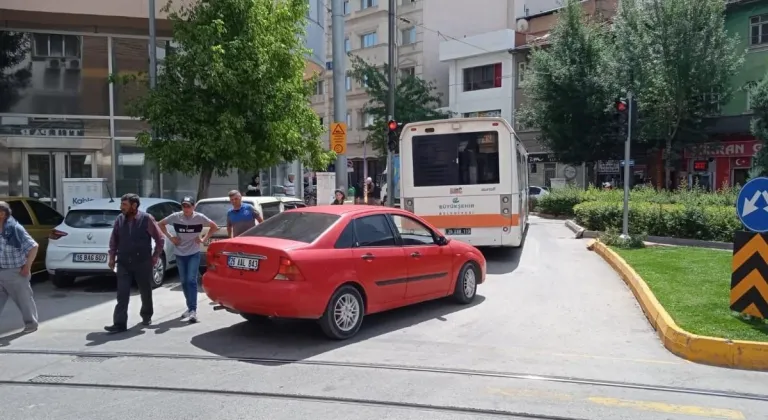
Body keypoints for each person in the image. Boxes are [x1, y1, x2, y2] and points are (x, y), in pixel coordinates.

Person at [105, 194, 165, 333]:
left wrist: (155, 255)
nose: (121, 208)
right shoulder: (119, 220)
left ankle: (146, 315)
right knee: (122, 293)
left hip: (142, 262)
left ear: (134, 206)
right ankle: (119, 324)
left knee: (145, 291)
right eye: (121, 205)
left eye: (124, 205)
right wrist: (112, 257)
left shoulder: (146, 219)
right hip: (124, 262)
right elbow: (114, 239)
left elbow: (160, 238)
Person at [158, 196, 218, 323]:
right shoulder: (176, 216)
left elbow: (214, 226)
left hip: (194, 253)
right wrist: (171, 237)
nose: (186, 209)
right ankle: (189, 307)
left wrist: (203, 239)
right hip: (180, 253)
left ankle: (193, 310)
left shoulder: (199, 217)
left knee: (191, 280)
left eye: (189, 206)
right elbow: (160, 224)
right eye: (184, 206)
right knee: (184, 282)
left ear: (194, 206)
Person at [0, 201, 40, 334]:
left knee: (24, 300)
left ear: (4, 214)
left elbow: (33, 246)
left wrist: (27, 267)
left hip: (15, 272)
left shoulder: (15, 229)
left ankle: (31, 324)